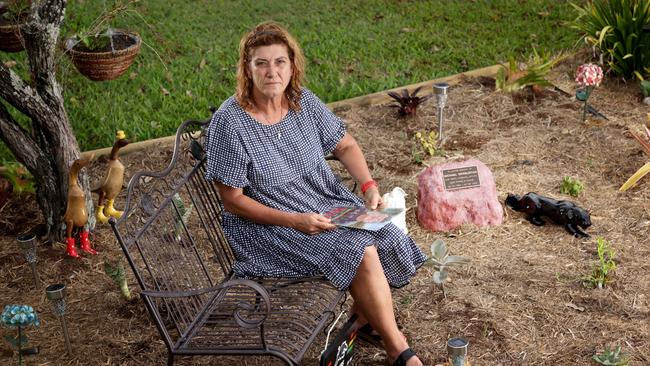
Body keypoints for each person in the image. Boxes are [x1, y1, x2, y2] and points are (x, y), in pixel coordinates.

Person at [205, 21, 426, 366]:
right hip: (270, 225)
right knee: (360, 249)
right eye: (260, 63)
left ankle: (365, 317)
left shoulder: (303, 102)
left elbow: (346, 145)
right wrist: (295, 221)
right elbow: (232, 200)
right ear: (247, 70)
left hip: (320, 203)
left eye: (280, 62)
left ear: (292, 67)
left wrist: (369, 187)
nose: (271, 71)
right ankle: (398, 348)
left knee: (386, 235)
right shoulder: (230, 122)